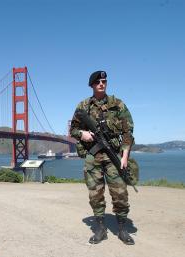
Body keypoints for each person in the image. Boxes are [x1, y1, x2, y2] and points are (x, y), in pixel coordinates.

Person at [69, 71, 135, 245]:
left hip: (114, 155)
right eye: (98, 81)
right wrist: (82, 133)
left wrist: (125, 155)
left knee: (120, 193)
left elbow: (128, 132)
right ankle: (100, 229)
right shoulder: (83, 106)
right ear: (92, 85)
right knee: (95, 194)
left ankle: (122, 229)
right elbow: (73, 130)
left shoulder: (118, 105)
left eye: (104, 81)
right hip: (93, 155)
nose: (101, 84)